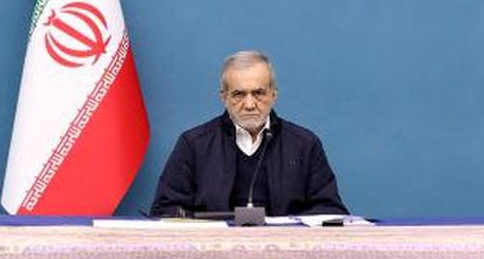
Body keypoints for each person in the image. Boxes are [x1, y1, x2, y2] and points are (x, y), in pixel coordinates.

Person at [149, 50, 347, 217]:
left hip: (284, 248)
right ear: (223, 97)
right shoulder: (193, 145)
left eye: (258, 93)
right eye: (239, 94)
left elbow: (330, 211)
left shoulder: (305, 144)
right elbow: (165, 211)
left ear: (273, 95)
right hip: (214, 248)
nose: (250, 104)